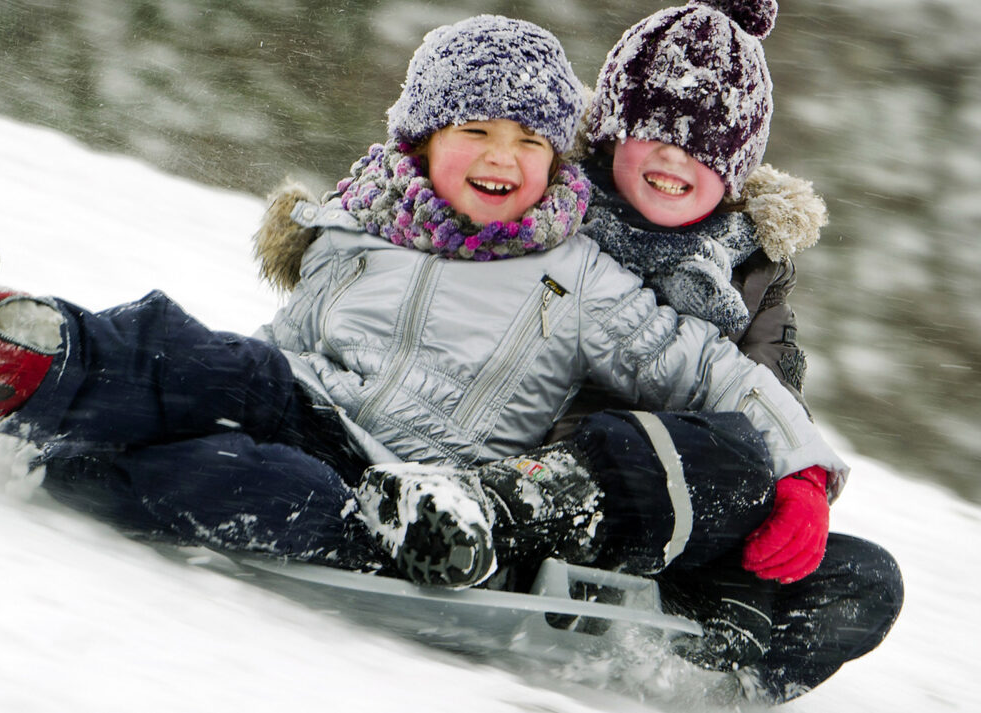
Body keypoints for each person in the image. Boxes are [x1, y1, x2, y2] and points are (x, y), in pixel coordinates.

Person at [0, 12, 859, 703]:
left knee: (268, 485)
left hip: (411, 478)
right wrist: (195, 381)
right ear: (418, 140)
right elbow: (288, 345)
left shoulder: (581, 271)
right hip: (305, 393)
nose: (502, 156)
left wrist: (805, 472)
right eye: (474, 129)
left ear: (561, 160)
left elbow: (725, 380)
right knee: (191, 351)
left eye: (528, 140)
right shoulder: (359, 225)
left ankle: (105, 463)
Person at [307, 2, 900, 704]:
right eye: (652, 131)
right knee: (649, 444)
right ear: (611, 131)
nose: (676, 157)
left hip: (679, 513)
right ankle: (485, 521)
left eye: (706, 145)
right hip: (522, 464)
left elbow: (765, 400)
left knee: (864, 578)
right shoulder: (549, 206)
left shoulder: (753, 276)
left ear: (737, 169)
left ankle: (694, 675)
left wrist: (797, 490)